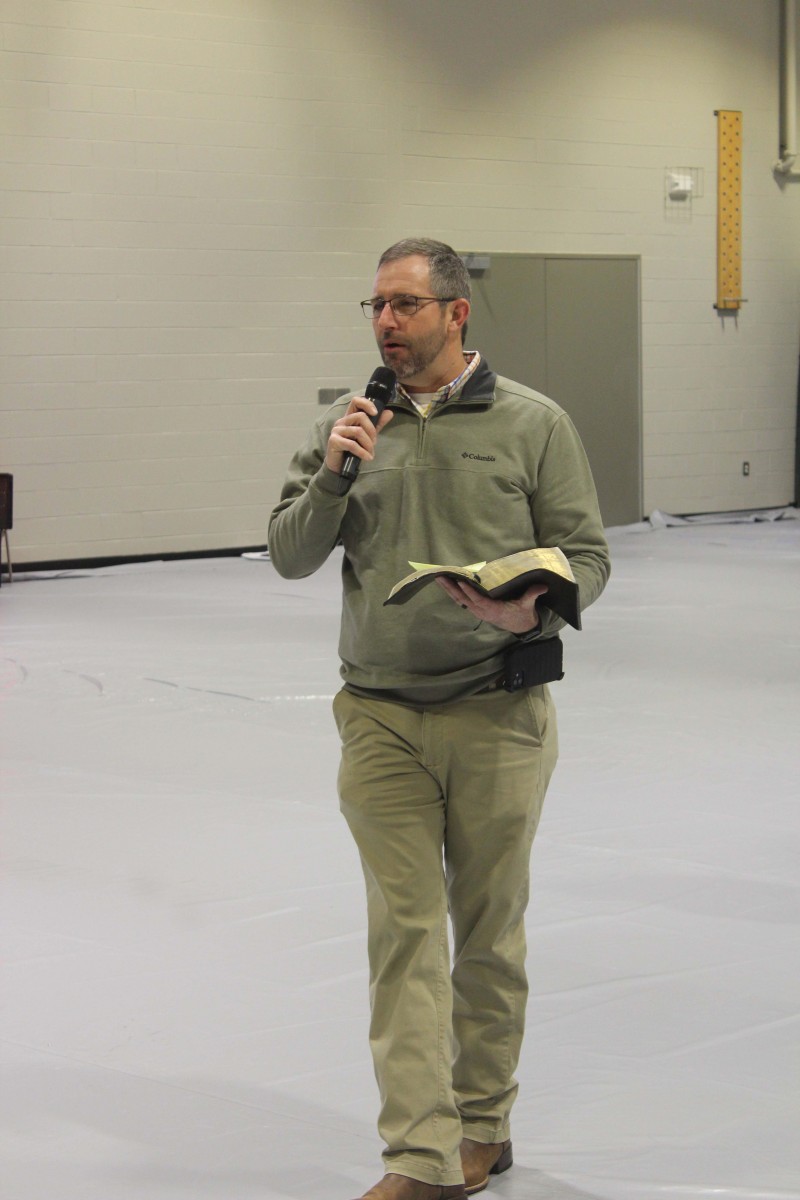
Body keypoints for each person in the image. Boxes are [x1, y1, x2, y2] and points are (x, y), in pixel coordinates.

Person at [268, 238, 610, 1200]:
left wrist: (531, 611)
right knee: (405, 935)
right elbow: (289, 554)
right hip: (379, 715)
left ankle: (483, 1123)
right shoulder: (346, 426)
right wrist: (335, 475)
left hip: (499, 709)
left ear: (457, 313)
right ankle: (419, 1155)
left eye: (406, 304)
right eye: (376, 304)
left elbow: (586, 555)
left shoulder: (534, 422)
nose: (386, 321)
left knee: (489, 931)